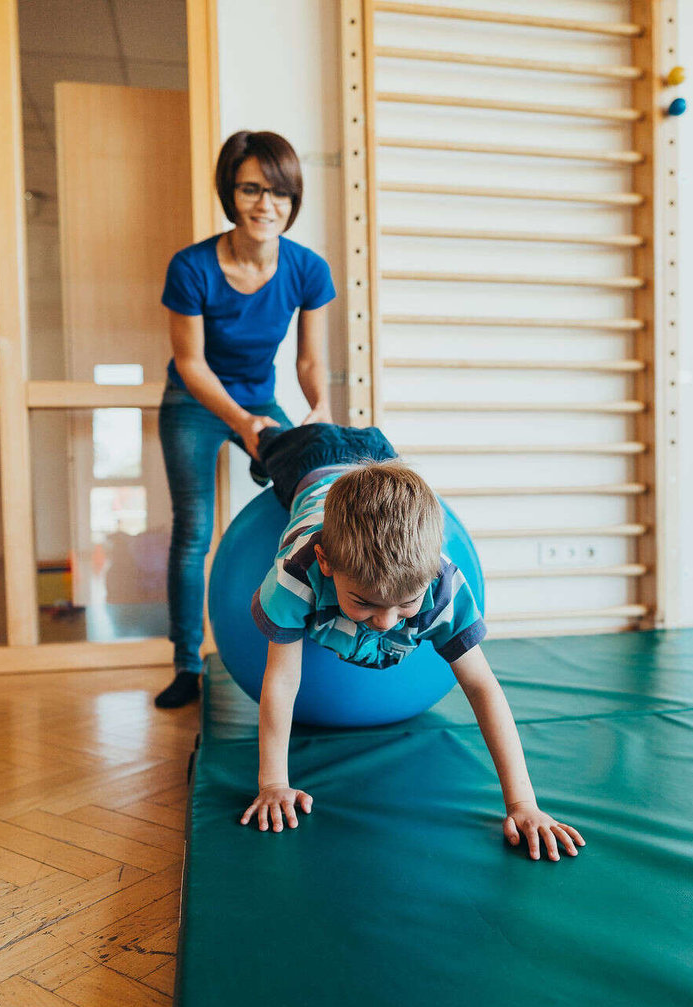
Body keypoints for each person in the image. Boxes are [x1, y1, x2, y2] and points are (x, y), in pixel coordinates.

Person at [239, 423, 586, 862]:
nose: (384, 622)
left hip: (375, 453)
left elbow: (482, 687)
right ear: (325, 562)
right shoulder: (295, 577)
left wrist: (523, 805)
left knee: (381, 470)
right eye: (364, 603)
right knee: (267, 443)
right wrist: (273, 783)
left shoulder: (443, 587)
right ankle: (264, 433)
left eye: (405, 605)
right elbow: (283, 680)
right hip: (305, 461)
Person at [156, 131, 336, 708]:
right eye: (252, 189)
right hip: (193, 402)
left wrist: (319, 407)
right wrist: (242, 423)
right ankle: (187, 665)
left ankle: (306, 636)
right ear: (230, 194)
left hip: (260, 404)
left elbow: (309, 360)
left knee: (310, 494)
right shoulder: (191, 267)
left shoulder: (307, 268)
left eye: (280, 192)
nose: (266, 204)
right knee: (194, 532)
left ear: (293, 199)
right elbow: (191, 363)